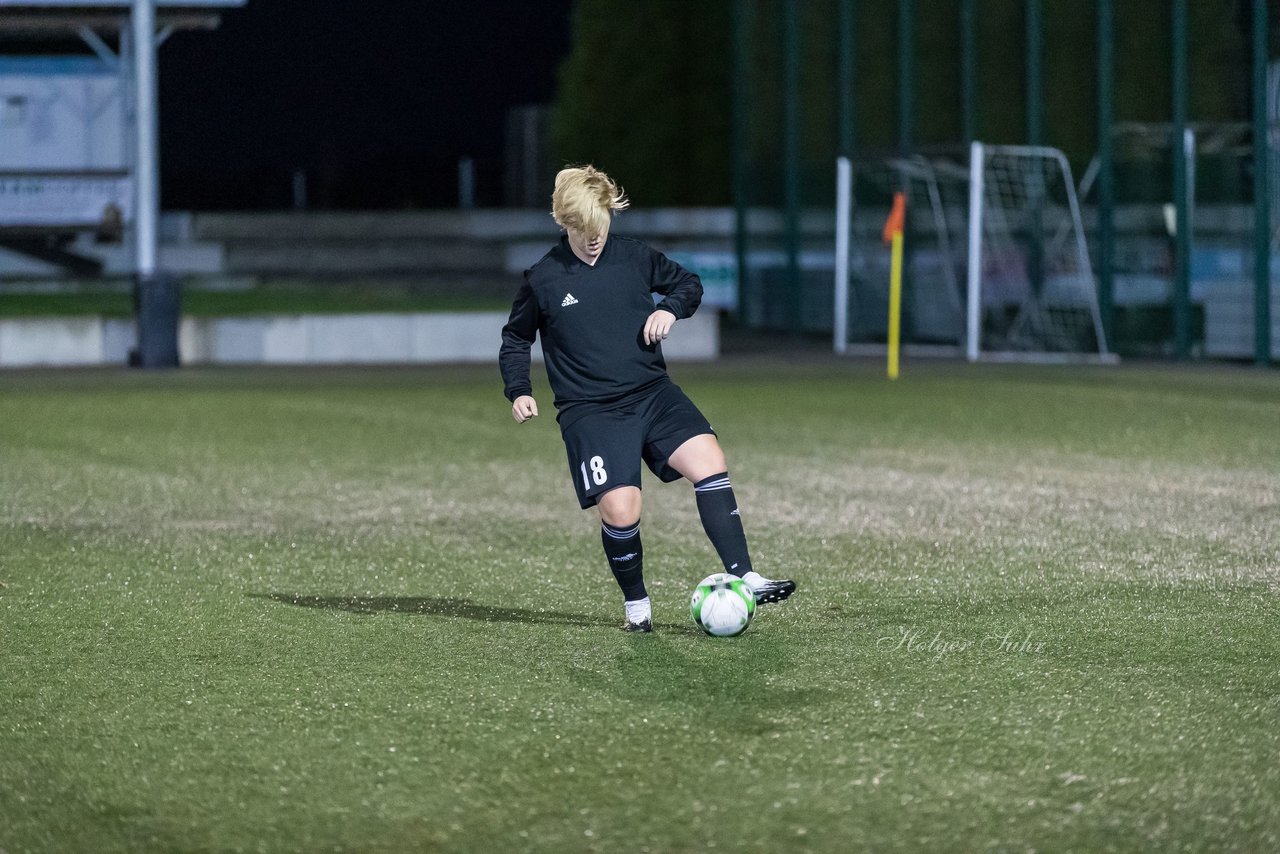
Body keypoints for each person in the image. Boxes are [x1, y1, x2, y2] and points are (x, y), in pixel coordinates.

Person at [499, 165, 795, 632]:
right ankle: (637, 604)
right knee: (621, 509)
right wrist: (519, 390)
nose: (594, 237)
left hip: (653, 394)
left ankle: (746, 575)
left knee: (709, 459)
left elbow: (688, 285)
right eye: (583, 228)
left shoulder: (635, 258)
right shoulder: (543, 279)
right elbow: (516, 339)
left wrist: (669, 309)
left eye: (601, 225)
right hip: (590, 411)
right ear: (564, 222)